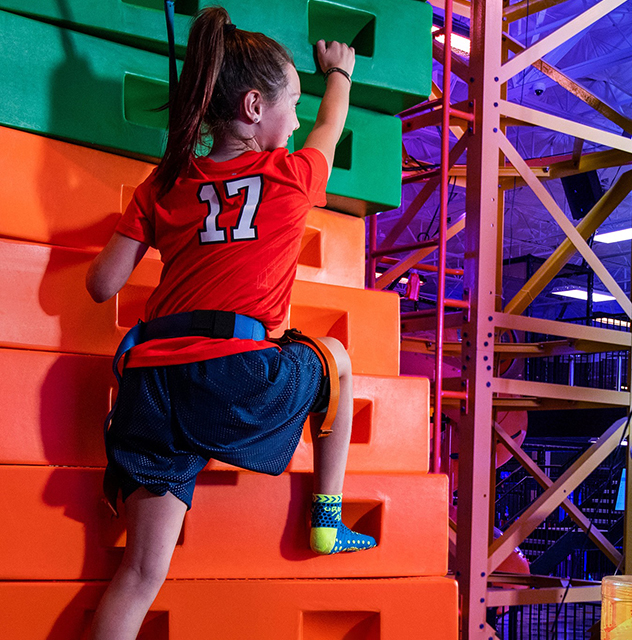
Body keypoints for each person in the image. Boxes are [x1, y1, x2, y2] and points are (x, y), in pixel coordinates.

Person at [85, 8, 373, 639]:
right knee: (336, 357)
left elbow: (101, 284)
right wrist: (339, 73)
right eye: (290, 106)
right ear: (253, 106)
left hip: (151, 388)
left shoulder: (165, 181)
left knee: (139, 574)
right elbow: (330, 125)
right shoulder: (292, 176)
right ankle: (327, 520)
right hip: (235, 378)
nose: (296, 122)